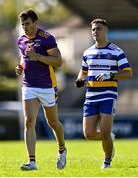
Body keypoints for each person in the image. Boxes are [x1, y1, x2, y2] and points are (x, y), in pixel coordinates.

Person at [75, 18, 132, 169]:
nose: (95, 32)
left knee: (105, 132)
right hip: (91, 96)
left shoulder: (116, 51)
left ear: (106, 31)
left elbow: (128, 73)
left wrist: (111, 75)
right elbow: (83, 71)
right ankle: (109, 139)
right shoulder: (87, 52)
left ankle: (107, 163)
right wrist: (80, 79)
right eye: (93, 29)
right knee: (89, 134)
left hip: (108, 95)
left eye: (98, 28)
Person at [15, 9, 67, 171]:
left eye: (28, 24)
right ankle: (32, 162)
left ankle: (62, 148)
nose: (25, 27)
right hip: (28, 85)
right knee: (28, 122)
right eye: (23, 24)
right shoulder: (21, 40)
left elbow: (58, 62)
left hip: (47, 86)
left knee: (53, 122)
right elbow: (24, 58)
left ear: (35, 23)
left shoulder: (47, 38)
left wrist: (38, 57)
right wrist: (20, 67)